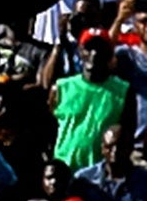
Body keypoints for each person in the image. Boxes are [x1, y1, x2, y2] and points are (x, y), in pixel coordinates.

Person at [54, 31, 134, 172]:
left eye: (100, 49)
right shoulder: (62, 87)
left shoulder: (123, 91)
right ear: (80, 52)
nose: (94, 54)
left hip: (98, 175)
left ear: (110, 55)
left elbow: (127, 134)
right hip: (64, 171)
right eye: (89, 48)